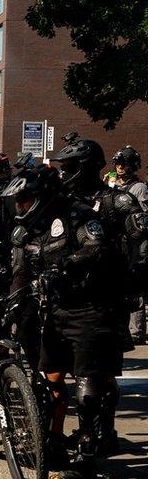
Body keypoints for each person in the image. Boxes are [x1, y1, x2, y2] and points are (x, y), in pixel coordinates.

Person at [3, 161, 125, 479]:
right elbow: (21, 272)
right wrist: (14, 302)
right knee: (51, 381)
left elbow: (98, 250)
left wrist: (69, 265)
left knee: (87, 388)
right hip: (55, 313)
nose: (20, 207)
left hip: (90, 309)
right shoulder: (25, 232)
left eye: (24, 200)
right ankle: (54, 441)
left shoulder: (79, 215)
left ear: (41, 195)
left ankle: (87, 455)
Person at [110, 146, 148, 342]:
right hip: (116, 242)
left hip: (133, 244)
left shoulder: (139, 188)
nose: (120, 167)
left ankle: (136, 331)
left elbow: (143, 219)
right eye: (117, 163)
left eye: (123, 163)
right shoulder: (111, 185)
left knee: (134, 285)